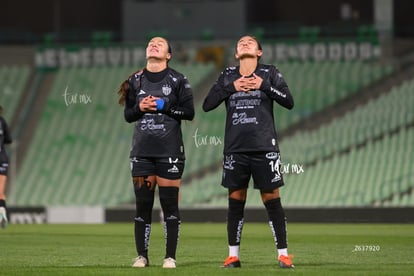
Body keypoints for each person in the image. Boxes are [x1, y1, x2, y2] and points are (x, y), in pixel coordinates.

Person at [203, 35, 295, 269]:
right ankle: (233, 256)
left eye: (250, 42)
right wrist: (231, 87)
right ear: (236, 54)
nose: (244, 43)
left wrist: (263, 85)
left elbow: (288, 101)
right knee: (236, 200)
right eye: (240, 42)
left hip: (265, 146)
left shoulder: (270, 73)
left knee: (271, 199)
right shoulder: (227, 75)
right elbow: (207, 104)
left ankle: (283, 255)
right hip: (235, 148)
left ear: (259, 52)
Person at [117, 37, 194, 268]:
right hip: (141, 152)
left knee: (170, 206)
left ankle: (170, 257)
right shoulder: (135, 80)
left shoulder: (179, 80)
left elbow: (189, 113)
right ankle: (142, 256)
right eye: (150, 42)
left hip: (169, 152)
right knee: (142, 206)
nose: (153, 44)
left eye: (160, 43)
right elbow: (128, 115)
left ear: (168, 55)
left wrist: (164, 106)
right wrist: (139, 108)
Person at [0, 105, 12, 229]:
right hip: (2, 159)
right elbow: (9, 140)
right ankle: (2, 210)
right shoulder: (2, 121)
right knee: (0, 192)